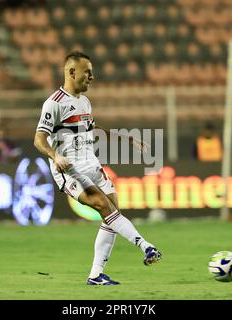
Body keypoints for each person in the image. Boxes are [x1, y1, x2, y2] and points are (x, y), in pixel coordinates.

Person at [34, 51, 162, 286]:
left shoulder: (84, 101)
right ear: (72, 72)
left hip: (91, 163)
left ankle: (95, 275)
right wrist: (55, 156)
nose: (92, 77)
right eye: (88, 72)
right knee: (104, 206)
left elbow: (92, 127)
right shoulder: (54, 103)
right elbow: (39, 139)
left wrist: (127, 139)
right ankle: (146, 247)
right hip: (70, 169)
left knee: (113, 212)